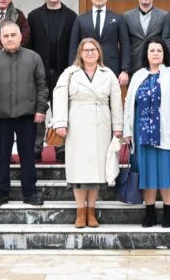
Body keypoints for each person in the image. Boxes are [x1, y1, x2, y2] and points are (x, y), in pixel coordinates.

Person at [52, 38, 125, 228]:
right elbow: (59, 97)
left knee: (96, 171)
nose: (90, 53)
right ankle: (80, 211)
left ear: (99, 53)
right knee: (79, 170)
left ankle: (91, 210)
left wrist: (118, 126)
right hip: (77, 125)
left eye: (93, 50)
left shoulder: (108, 74)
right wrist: (60, 122)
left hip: (101, 124)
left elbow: (116, 101)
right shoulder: (70, 73)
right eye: (86, 50)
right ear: (80, 53)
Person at [124, 38, 170, 228]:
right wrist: (127, 130)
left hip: (168, 133)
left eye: (159, 50)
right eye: (152, 50)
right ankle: (150, 212)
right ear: (146, 53)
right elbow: (129, 103)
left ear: (164, 53)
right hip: (142, 134)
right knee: (147, 173)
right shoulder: (138, 75)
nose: (155, 53)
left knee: (167, 173)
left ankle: (168, 211)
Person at [0, 21, 48, 207]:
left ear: (20, 37)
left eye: (13, 35)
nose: (10, 39)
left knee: (27, 155)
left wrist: (40, 109)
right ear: (0, 39)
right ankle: (1, 193)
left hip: (27, 116)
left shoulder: (34, 58)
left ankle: (30, 192)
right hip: (0, 117)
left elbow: (42, 86)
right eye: (6, 36)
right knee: (2, 156)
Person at [26, 0, 77, 160]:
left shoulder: (71, 16)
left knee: (61, 110)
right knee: (38, 110)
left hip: (63, 71)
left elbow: (74, 45)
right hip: (39, 71)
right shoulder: (33, 16)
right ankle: (36, 147)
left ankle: (60, 148)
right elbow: (29, 45)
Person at [68, 0, 130, 86]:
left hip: (111, 67)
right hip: (85, 67)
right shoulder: (80, 19)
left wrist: (125, 70)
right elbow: (74, 46)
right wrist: (73, 69)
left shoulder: (118, 18)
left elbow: (125, 44)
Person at [122, 0, 168, 75]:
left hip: (157, 66)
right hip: (134, 65)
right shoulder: (127, 16)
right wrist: (125, 69)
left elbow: (166, 41)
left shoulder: (164, 16)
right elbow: (125, 44)